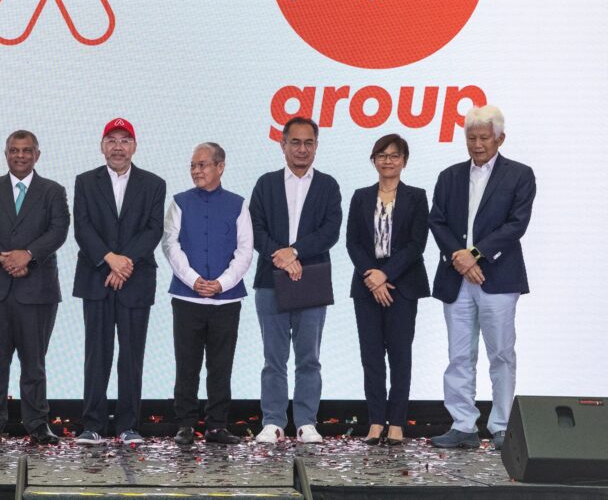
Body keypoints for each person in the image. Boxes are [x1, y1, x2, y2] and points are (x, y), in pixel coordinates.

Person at [429, 106, 536, 451]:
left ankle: (502, 425)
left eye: (483, 138)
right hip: (456, 279)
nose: (477, 144)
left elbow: (516, 225)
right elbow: (438, 221)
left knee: (501, 354)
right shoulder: (449, 176)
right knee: (459, 355)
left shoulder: (519, 175)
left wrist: (475, 255)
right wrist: (459, 259)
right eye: (471, 138)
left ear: (500, 138)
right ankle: (463, 425)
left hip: (499, 278)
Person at [0, 130, 70, 445]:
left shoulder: (53, 191)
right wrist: (3, 257)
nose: (20, 155)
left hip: (37, 290)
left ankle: (37, 423)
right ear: (6, 153)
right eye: (14, 150)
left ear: (37, 155)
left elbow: (59, 229)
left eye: (27, 150)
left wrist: (28, 254)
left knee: (34, 361)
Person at [72, 118, 166, 445]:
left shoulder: (154, 184)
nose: (118, 146)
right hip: (96, 277)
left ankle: (129, 426)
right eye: (111, 140)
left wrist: (125, 262)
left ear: (134, 146)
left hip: (135, 280)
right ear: (102, 146)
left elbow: (153, 229)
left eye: (125, 140)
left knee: (131, 356)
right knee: (96, 354)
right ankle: (92, 425)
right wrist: (109, 259)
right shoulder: (85, 181)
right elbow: (82, 228)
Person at [249, 116, 341, 445]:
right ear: (283, 145)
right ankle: (273, 422)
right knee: (273, 358)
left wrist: (295, 252)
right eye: (295, 142)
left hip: (311, 279)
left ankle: (306, 422)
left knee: (308, 358)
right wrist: (281, 256)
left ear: (316, 146)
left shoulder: (328, 185)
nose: (302, 149)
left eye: (308, 143)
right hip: (271, 279)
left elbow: (330, 231)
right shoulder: (266, 183)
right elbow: (255, 229)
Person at [162, 142, 252, 446]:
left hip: (226, 300)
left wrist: (222, 283)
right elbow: (170, 245)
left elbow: (245, 250)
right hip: (187, 299)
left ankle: (216, 425)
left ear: (220, 167)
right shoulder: (179, 202)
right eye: (193, 165)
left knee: (220, 365)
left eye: (202, 165)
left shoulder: (238, 204)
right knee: (186, 363)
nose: (196, 171)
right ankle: (185, 424)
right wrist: (193, 279)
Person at [345, 134, 430, 446]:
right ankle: (376, 422)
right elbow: (352, 242)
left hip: (402, 285)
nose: (388, 160)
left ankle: (396, 423)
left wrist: (385, 275)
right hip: (367, 286)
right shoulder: (360, 196)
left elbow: (416, 245)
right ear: (373, 160)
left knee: (399, 356)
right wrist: (372, 277)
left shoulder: (417, 197)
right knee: (371, 357)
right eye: (381, 155)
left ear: (404, 161)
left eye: (394, 155)